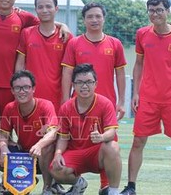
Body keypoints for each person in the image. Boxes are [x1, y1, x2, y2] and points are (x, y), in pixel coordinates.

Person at [120, 0, 171, 195]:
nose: (155, 14)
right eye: (151, 11)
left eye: (159, 10)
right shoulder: (142, 34)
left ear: (168, 11)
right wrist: (135, 92)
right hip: (147, 99)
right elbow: (138, 64)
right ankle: (131, 187)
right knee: (138, 141)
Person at [61, 2, 127, 194]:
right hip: (80, 105)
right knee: (76, 142)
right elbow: (67, 72)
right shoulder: (75, 43)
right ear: (84, 20)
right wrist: (66, 99)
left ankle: (106, 185)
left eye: (98, 16)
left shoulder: (115, 44)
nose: (94, 20)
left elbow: (121, 74)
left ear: (104, 18)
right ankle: (76, 180)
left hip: (106, 104)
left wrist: (121, 101)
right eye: (90, 16)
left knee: (109, 143)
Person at [50, 63, 122, 195]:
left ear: (96, 84)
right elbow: (63, 137)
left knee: (113, 146)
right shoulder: (66, 107)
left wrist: (101, 137)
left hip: (97, 153)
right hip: (76, 152)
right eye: (80, 82)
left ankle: (113, 191)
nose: (84, 86)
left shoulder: (105, 103)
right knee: (55, 169)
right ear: (73, 85)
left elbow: (112, 132)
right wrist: (58, 153)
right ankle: (79, 183)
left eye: (89, 82)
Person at [0, 70, 64, 195]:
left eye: (26, 87)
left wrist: (39, 145)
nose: (22, 91)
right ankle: (18, 181)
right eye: (18, 88)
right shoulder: (9, 108)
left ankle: (48, 188)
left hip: (42, 156)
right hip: (24, 155)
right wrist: (4, 148)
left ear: (33, 89)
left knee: (47, 147)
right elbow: (3, 136)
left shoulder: (45, 105)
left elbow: (53, 132)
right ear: (12, 91)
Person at [15, 0, 72, 112]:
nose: (44, 10)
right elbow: (20, 64)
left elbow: (69, 70)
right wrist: (19, 89)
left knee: (54, 130)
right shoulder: (26, 33)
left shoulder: (66, 36)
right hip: (30, 96)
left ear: (56, 9)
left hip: (57, 97)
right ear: (36, 10)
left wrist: (66, 98)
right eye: (40, 7)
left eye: (48, 6)